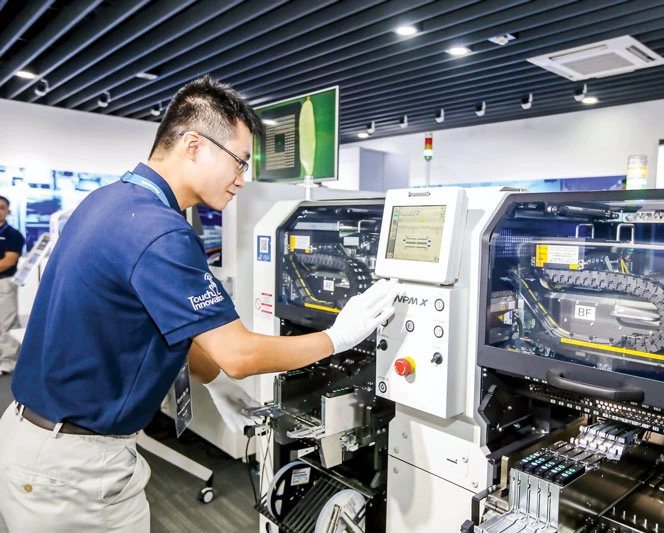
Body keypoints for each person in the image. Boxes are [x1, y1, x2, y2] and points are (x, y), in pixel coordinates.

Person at [0, 76, 398, 532]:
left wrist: (213, 382)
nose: (242, 180)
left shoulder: (108, 202)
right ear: (193, 145)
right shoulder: (161, 231)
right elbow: (242, 354)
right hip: (74, 470)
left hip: (32, 440)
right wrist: (338, 336)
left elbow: (161, 325)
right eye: (239, 162)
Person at [0, 195, 24, 375]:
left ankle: (8, 362)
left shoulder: (13, 235)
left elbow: (9, 261)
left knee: (6, 324)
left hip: (4, 284)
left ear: (8, 211)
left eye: (2, 207)